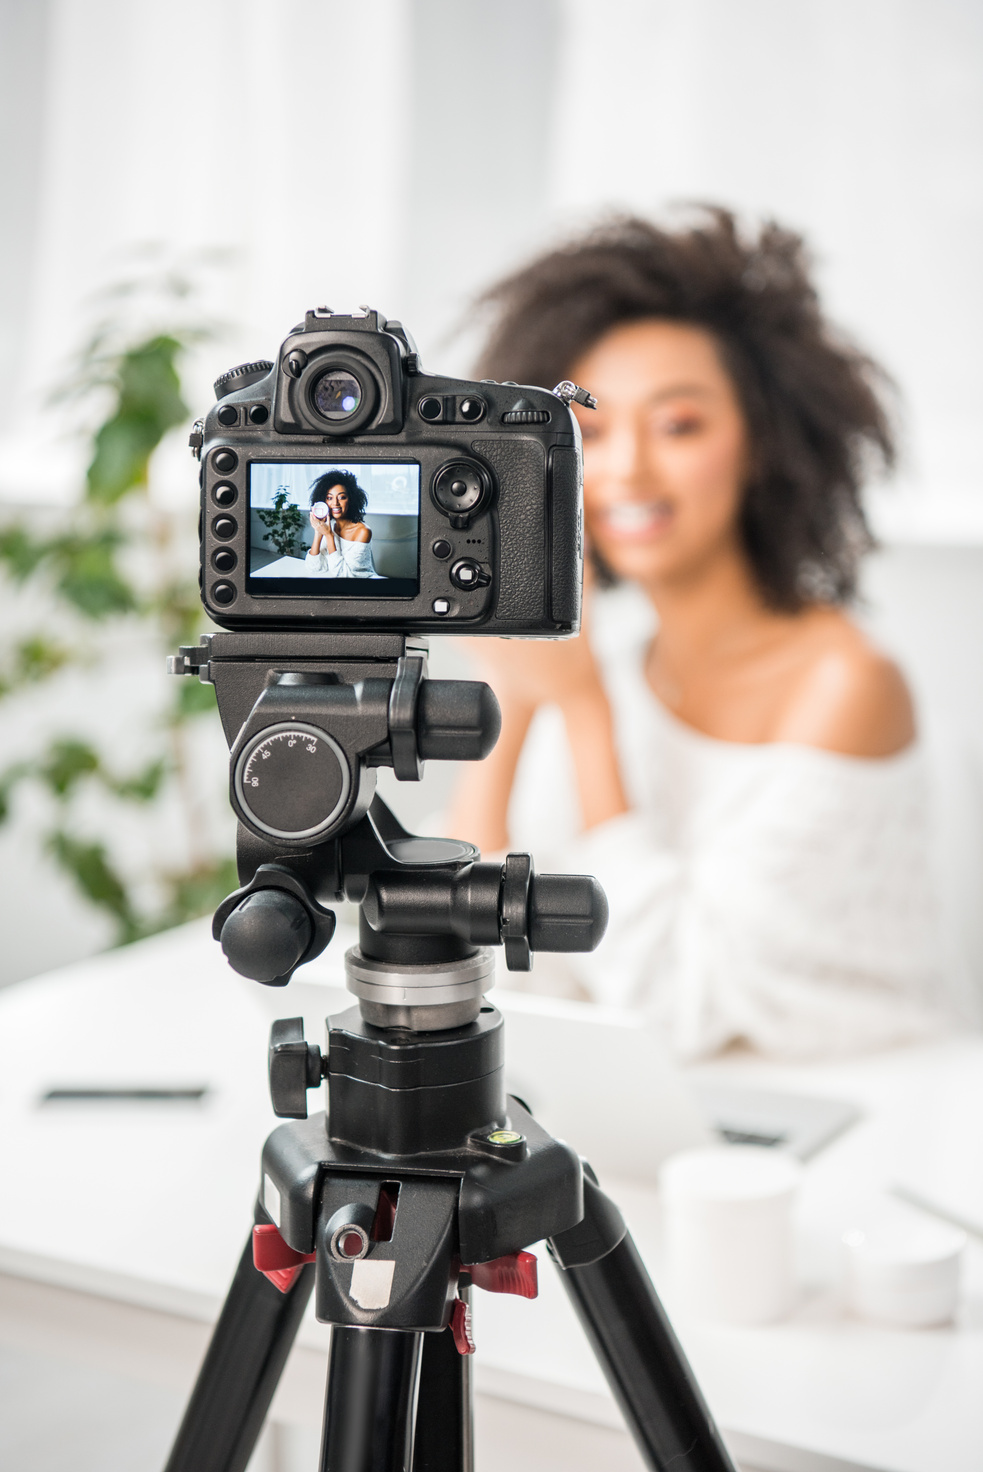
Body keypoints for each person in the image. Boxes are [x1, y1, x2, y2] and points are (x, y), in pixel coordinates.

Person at [449, 209, 946, 1059]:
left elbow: (679, 1002)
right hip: (667, 1120)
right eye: (591, 434)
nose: (626, 471)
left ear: (762, 444)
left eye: (678, 425)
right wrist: (517, 698)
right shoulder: (608, 665)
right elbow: (483, 953)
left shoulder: (845, 683)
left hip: (864, 1111)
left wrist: (585, 712)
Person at [304, 470, 379, 578]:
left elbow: (344, 575)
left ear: (351, 499)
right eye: (329, 498)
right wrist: (318, 532)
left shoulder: (363, 532)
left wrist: (329, 536)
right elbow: (314, 567)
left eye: (342, 497)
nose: (335, 503)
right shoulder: (330, 526)